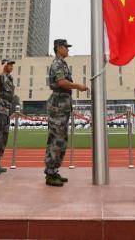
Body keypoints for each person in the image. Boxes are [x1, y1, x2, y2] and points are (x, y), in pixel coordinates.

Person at [44, 39, 88, 187]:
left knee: (61, 140)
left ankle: (54, 170)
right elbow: (62, 82)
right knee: (56, 140)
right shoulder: (57, 63)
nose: (68, 49)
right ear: (58, 48)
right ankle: (50, 173)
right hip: (58, 106)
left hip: (62, 106)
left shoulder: (62, 63)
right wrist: (78, 86)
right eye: (66, 47)